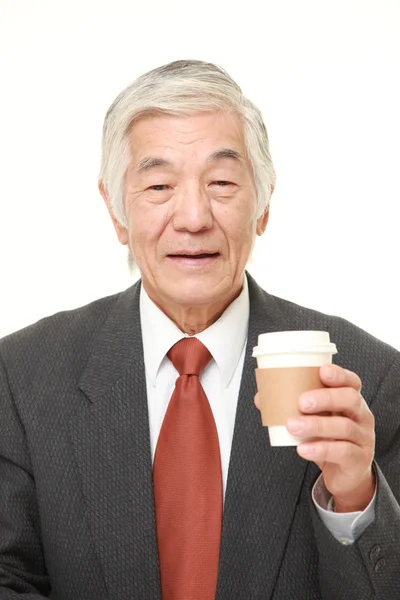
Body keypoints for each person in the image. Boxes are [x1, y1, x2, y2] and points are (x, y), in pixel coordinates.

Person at [0, 59, 399, 600]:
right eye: (160, 184)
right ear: (116, 211)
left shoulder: (369, 377)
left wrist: (355, 497)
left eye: (222, 182)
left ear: (263, 204)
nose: (192, 216)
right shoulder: (24, 377)